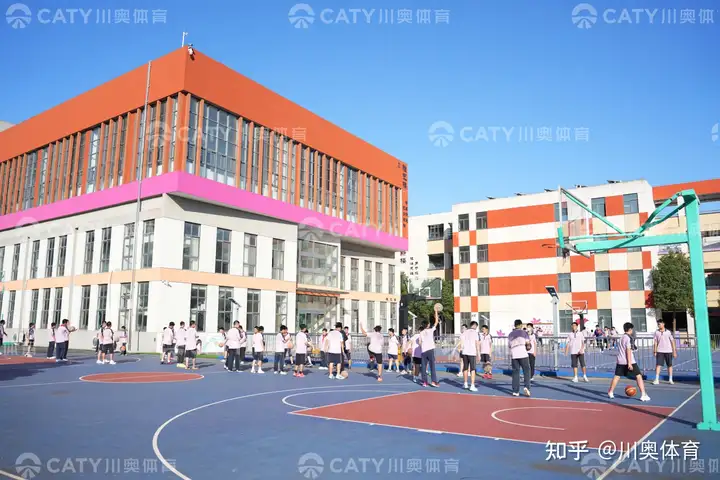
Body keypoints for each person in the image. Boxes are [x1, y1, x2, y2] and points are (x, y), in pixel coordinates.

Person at [609, 322, 650, 402]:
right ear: (630, 329)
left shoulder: (621, 337)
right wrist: (629, 363)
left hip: (620, 360)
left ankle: (611, 391)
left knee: (617, 376)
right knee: (639, 376)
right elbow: (628, 350)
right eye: (632, 329)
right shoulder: (628, 338)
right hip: (629, 360)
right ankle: (643, 394)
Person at [508, 319, 531, 397]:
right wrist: (528, 348)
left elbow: (509, 345)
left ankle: (515, 391)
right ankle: (526, 387)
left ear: (514, 325)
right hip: (523, 354)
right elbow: (528, 344)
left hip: (514, 354)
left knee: (515, 372)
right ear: (521, 325)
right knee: (526, 371)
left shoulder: (510, 334)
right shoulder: (524, 333)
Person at [420, 307, 441, 388]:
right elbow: (436, 321)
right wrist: (436, 311)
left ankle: (424, 382)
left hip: (423, 351)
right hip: (430, 350)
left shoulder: (421, 332)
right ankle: (433, 381)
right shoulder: (430, 330)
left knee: (424, 367)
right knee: (432, 366)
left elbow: (420, 342)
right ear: (427, 325)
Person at [653, 320, 677, 385]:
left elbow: (672, 342)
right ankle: (656, 379)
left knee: (669, 365)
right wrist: (655, 351)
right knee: (658, 365)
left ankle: (670, 379)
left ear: (663, 324)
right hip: (660, 351)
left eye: (660, 324)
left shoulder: (668, 332)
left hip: (668, 351)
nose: (659, 325)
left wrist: (674, 351)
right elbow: (655, 342)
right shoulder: (656, 332)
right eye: (658, 324)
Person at [458, 321, 480, 391]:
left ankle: (465, 384)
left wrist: (461, 349)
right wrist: (478, 354)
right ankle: (472, 385)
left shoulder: (465, 332)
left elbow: (461, 341)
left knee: (465, 368)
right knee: (472, 369)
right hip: (472, 352)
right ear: (475, 326)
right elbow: (477, 344)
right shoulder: (476, 333)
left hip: (465, 352)